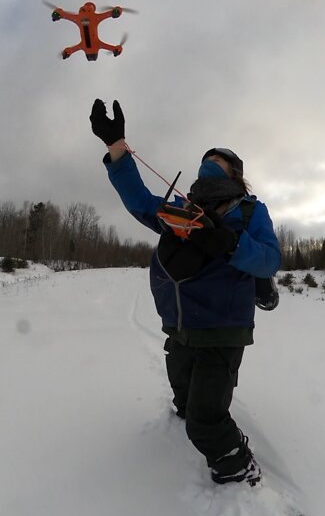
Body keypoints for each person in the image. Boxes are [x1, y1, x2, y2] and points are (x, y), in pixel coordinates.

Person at [91, 99, 282, 486]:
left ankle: (236, 466)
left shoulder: (248, 212)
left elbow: (268, 260)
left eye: (220, 159)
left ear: (236, 173)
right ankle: (190, 412)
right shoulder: (182, 207)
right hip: (179, 326)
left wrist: (227, 242)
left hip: (222, 328)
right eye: (206, 157)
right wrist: (116, 146)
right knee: (183, 396)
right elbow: (141, 202)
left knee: (205, 419)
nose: (210, 161)